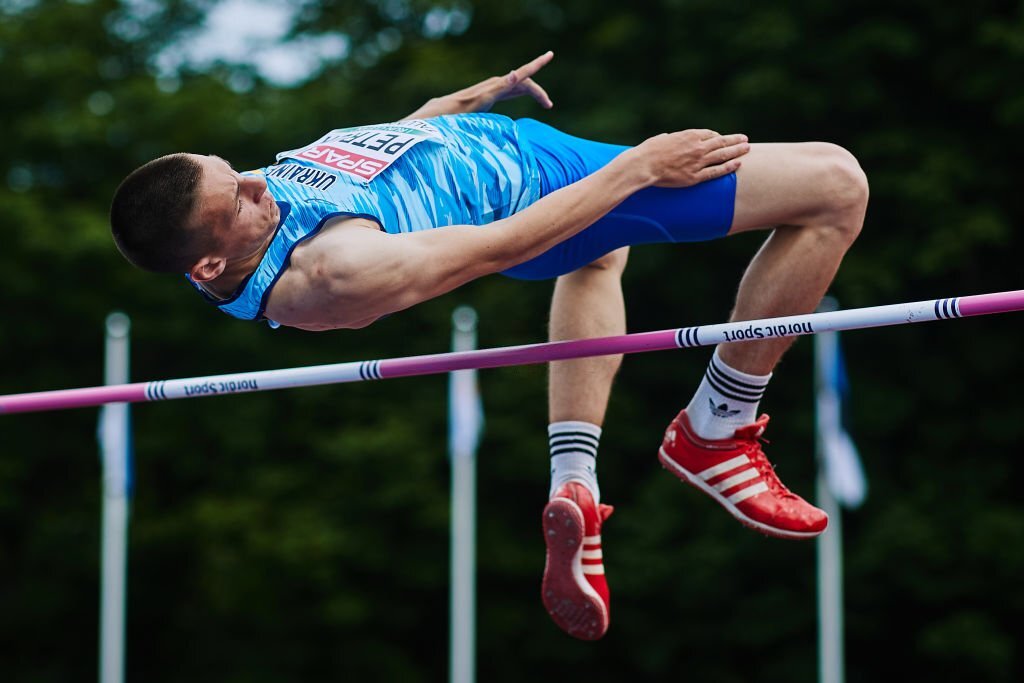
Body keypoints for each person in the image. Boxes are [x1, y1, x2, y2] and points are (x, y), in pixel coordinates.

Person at [109, 52, 868, 641]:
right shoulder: (332, 275)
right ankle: (716, 429)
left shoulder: (242, 215)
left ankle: (574, 483)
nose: (252, 181)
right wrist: (636, 168)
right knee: (837, 185)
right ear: (209, 264)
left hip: (520, 148)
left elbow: (365, 165)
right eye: (235, 196)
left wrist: (454, 106)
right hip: (544, 186)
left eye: (232, 168)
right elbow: (498, 245)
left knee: (600, 260)